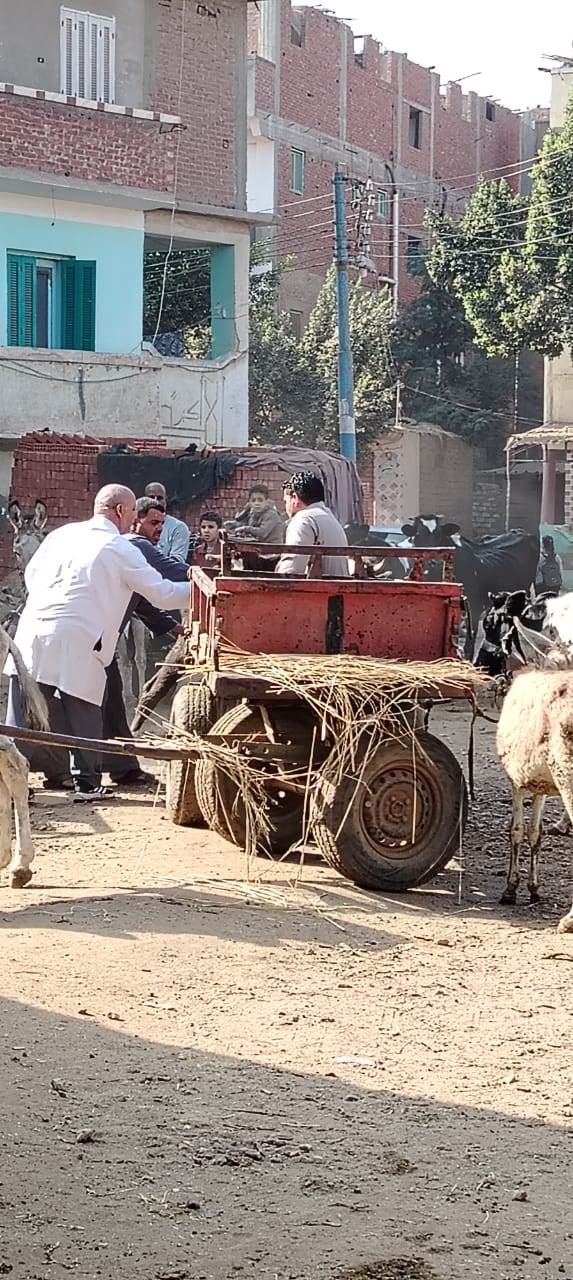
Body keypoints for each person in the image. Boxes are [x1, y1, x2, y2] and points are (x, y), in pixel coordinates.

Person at [5, 485, 190, 800]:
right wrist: (205, 588)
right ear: (120, 511)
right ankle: (87, 785)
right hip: (81, 636)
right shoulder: (120, 547)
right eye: (132, 513)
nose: (132, 520)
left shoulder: (60, 535)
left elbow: (32, 576)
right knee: (85, 711)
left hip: (32, 630)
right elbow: (162, 593)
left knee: (23, 713)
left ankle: (9, 785)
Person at [101, 496, 191, 789]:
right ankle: (96, 772)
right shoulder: (135, 545)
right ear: (134, 520)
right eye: (153, 523)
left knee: (110, 700)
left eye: (162, 524)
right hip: (95, 637)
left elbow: (141, 604)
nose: (159, 530)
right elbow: (172, 571)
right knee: (100, 702)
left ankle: (122, 767)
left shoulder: (122, 547)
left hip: (98, 638)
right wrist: (211, 578)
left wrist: (174, 627)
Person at [275, 472, 350, 578]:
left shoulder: (303, 520)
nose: (285, 507)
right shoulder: (329, 517)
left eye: (286, 502)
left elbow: (291, 569)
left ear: (294, 498)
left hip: (320, 587)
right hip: (339, 586)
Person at [144, 482, 190, 562]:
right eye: (151, 497)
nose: (155, 501)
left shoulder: (178, 527)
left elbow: (177, 561)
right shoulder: (137, 525)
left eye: (159, 498)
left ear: (165, 500)